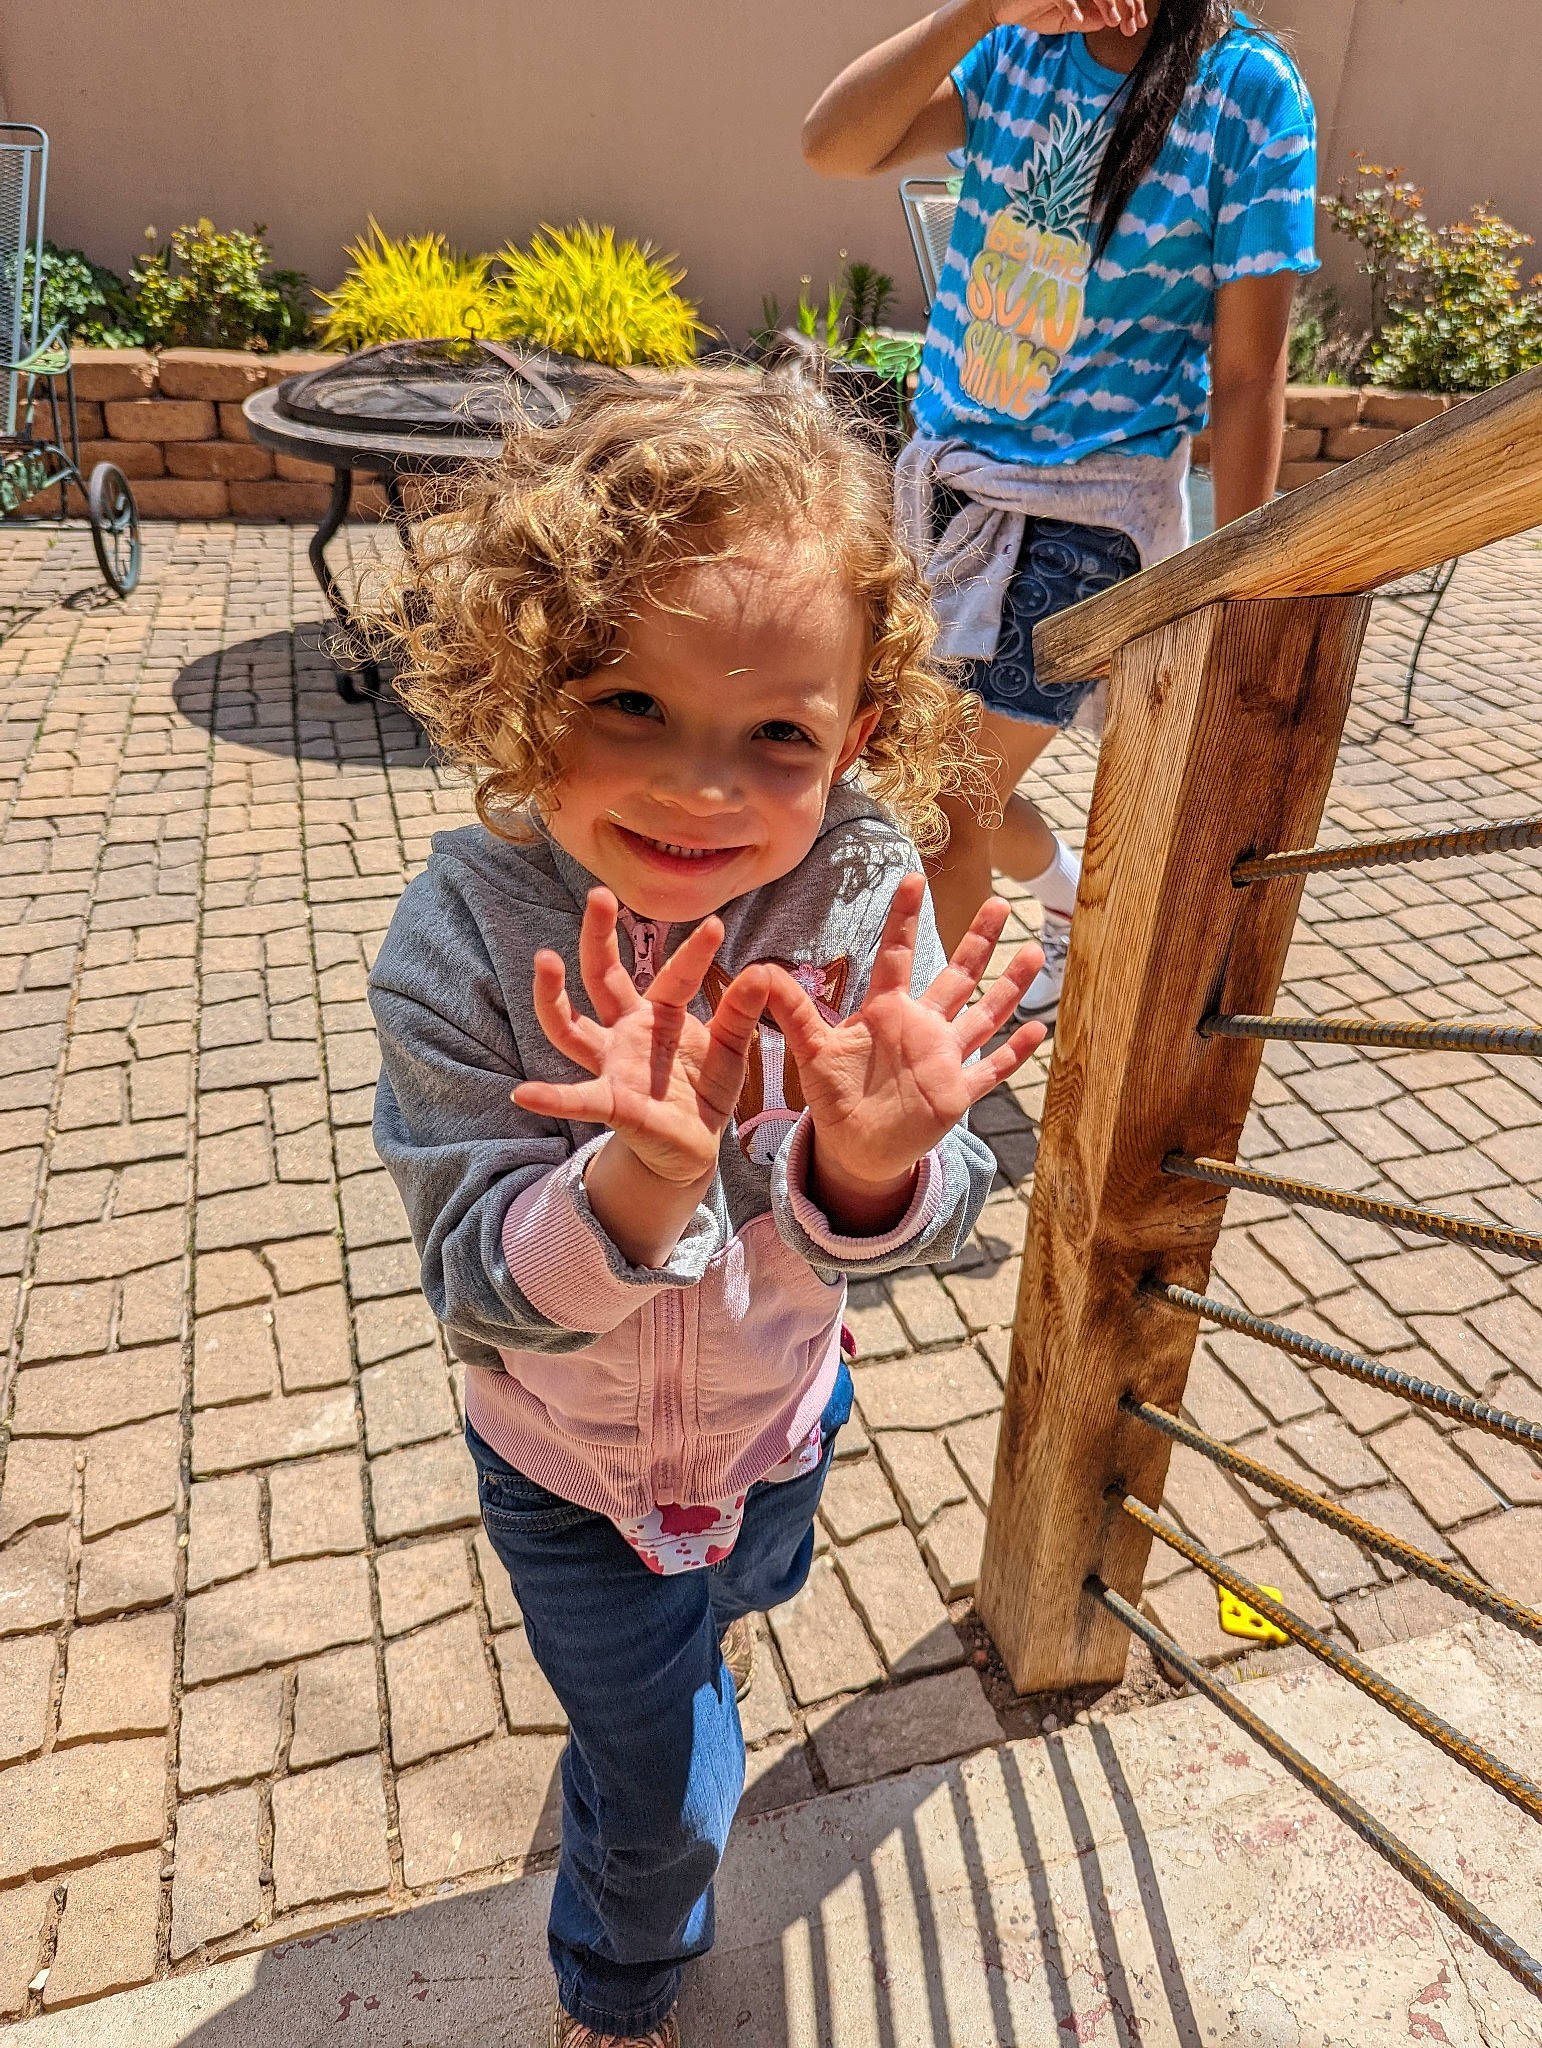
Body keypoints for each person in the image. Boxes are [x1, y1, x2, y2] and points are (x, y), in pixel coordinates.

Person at [366, 381, 1047, 2048]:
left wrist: (875, 1163)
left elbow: (922, 1219)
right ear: (525, 676)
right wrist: (636, 1177)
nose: (700, 789)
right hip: (565, 1472)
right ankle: (618, 1983)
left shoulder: (864, 890)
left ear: (858, 733)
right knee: (660, 1788)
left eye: (777, 737)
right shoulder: (460, 934)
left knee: (732, 1616)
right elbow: (474, 1287)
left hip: (776, 1435)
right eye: (627, 700)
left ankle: (696, 1672)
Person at [804, 0, 1319, 1014]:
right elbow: (831, 145)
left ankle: (925, 1080)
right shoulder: (1016, 42)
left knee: (944, 802)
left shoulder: (1249, 90)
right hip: (947, 484)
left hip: (1090, 512)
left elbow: (1251, 375)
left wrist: (1237, 580)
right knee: (944, 779)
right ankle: (1064, 899)